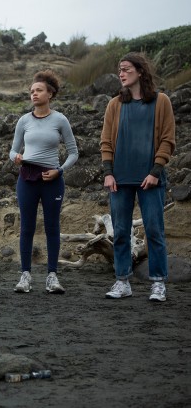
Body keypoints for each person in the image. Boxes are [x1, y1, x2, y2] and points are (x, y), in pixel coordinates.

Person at [100, 52, 176, 302]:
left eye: (126, 69)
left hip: (150, 179)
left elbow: (168, 140)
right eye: (119, 70)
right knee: (121, 232)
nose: (121, 74)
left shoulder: (161, 101)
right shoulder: (114, 104)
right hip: (119, 180)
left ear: (140, 71)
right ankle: (122, 281)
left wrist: (156, 171)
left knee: (154, 230)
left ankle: (158, 283)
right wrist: (108, 173)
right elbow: (106, 142)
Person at [9, 70, 78, 294]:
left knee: (52, 227)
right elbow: (12, 150)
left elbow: (73, 153)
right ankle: (25, 276)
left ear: (50, 93)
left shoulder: (60, 120)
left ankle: (52, 277)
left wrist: (59, 171)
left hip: (52, 179)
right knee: (27, 227)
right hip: (27, 178)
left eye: (39, 90)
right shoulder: (24, 121)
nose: (34, 94)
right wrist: (16, 157)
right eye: (32, 91)